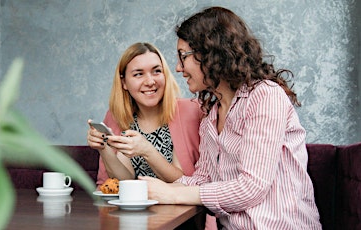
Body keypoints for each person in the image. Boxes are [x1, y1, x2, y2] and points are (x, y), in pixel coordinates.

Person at [140, 7, 322, 229]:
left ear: (211, 53)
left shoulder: (264, 95)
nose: (178, 68)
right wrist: (153, 189)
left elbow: (251, 187)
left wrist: (173, 194)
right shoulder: (210, 116)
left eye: (183, 56)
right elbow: (202, 181)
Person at [87, 42, 202, 185]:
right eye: (138, 74)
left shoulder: (189, 111)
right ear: (124, 82)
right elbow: (124, 181)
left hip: (178, 205)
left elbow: (181, 181)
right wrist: (103, 149)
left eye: (156, 71)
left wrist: (147, 150)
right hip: (135, 206)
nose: (150, 81)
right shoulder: (116, 117)